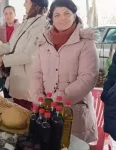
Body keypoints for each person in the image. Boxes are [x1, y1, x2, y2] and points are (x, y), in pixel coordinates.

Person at [31, 0, 98, 143]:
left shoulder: (85, 42)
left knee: (72, 144)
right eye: (57, 15)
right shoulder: (43, 42)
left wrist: (62, 96)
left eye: (67, 13)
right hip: (47, 109)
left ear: (75, 16)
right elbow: (36, 73)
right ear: (51, 19)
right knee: (46, 142)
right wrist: (37, 94)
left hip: (74, 110)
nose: (62, 18)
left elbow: (88, 78)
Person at [0, 0, 49, 110]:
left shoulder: (43, 24)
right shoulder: (25, 23)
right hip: (17, 76)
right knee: (18, 113)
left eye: (27, 1)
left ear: (36, 3)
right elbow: (11, 45)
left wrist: (3, 60)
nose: (24, 4)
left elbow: (30, 55)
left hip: (29, 79)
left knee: (29, 115)